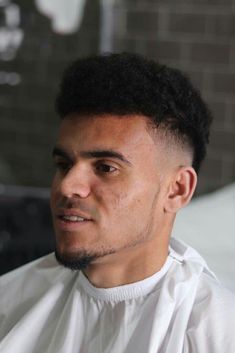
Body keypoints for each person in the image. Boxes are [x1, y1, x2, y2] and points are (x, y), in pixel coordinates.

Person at [0, 53, 234, 353]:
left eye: (106, 168)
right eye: (63, 164)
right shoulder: (10, 303)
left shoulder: (217, 333)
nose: (67, 186)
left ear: (176, 190)